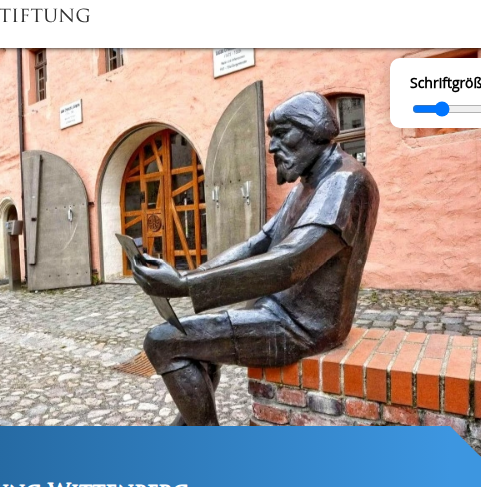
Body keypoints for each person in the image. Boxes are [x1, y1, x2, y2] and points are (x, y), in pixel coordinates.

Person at [132, 91, 379, 426]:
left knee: (162, 341)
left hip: (303, 327)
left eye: (282, 134)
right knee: (194, 342)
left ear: (314, 131)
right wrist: (189, 276)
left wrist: (185, 285)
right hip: (278, 312)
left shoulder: (344, 181)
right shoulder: (308, 184)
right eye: (271, 136)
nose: (273, 147)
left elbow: (289, 262)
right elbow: (258, 243)